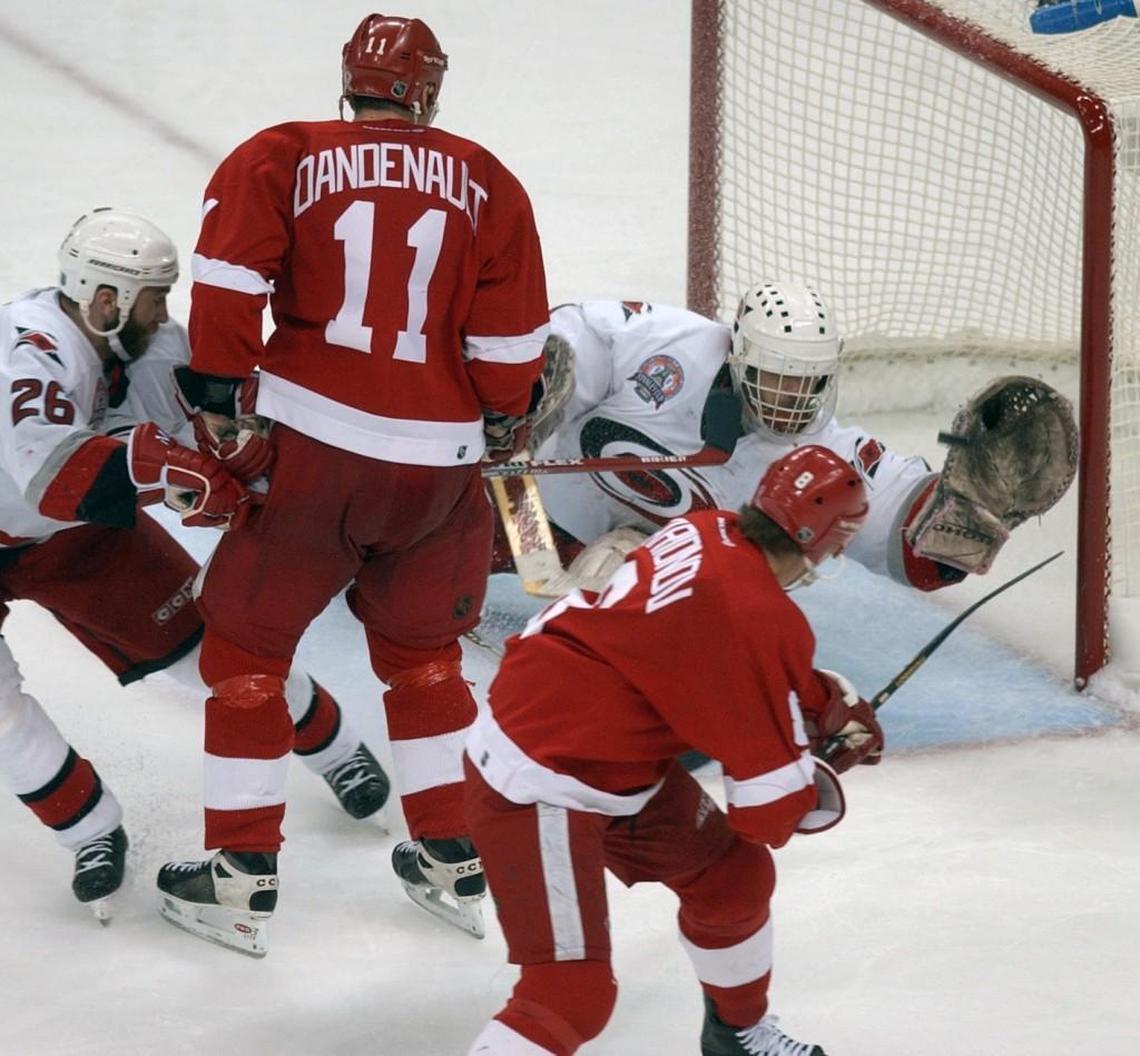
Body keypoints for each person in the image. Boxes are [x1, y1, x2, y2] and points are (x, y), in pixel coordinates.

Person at [157, 12, 549, 950]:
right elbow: (510, 354)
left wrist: (218, 399)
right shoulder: (488, 179)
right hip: (439, 471)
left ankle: (240, 874)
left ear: (351, 83)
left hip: (312, 453)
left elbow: (226, 281)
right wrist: (499, 420)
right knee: (423, 659)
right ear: (432, 89)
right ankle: (454, 857)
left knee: (248, 658)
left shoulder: (285, 153)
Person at [0, 208, 390, 923]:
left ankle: (338, 751)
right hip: (49, 503)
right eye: (155, 296)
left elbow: (196, 431)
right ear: (105, 298)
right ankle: (90, 832)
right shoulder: (30, 350)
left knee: (209, 651)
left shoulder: (140, 341)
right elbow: (47, 469)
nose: (165, 310)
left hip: (66, 534)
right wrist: (161, 469)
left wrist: (268, 469)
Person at [464, 444, 883, 1056]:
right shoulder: (760, 615)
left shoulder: (707, 528)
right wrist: (813, 766)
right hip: (540, 779)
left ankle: (735, 1035)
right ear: (829, 542)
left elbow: (714, 645)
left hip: (594, 748)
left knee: (730, 878)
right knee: (569, 994)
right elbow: (767, 813)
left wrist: (818, 701)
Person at [504, 285, 1075, 597]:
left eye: (806, 381)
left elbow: (917, 549)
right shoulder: (670, 347)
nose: (791, 395)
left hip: (630, 564)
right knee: (424, 565)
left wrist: (972, 509)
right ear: (740, 353)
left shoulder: (825, 457)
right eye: (777, 375)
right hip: (519, 498)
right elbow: (581, 336)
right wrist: (537, 380)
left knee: (625, 590)